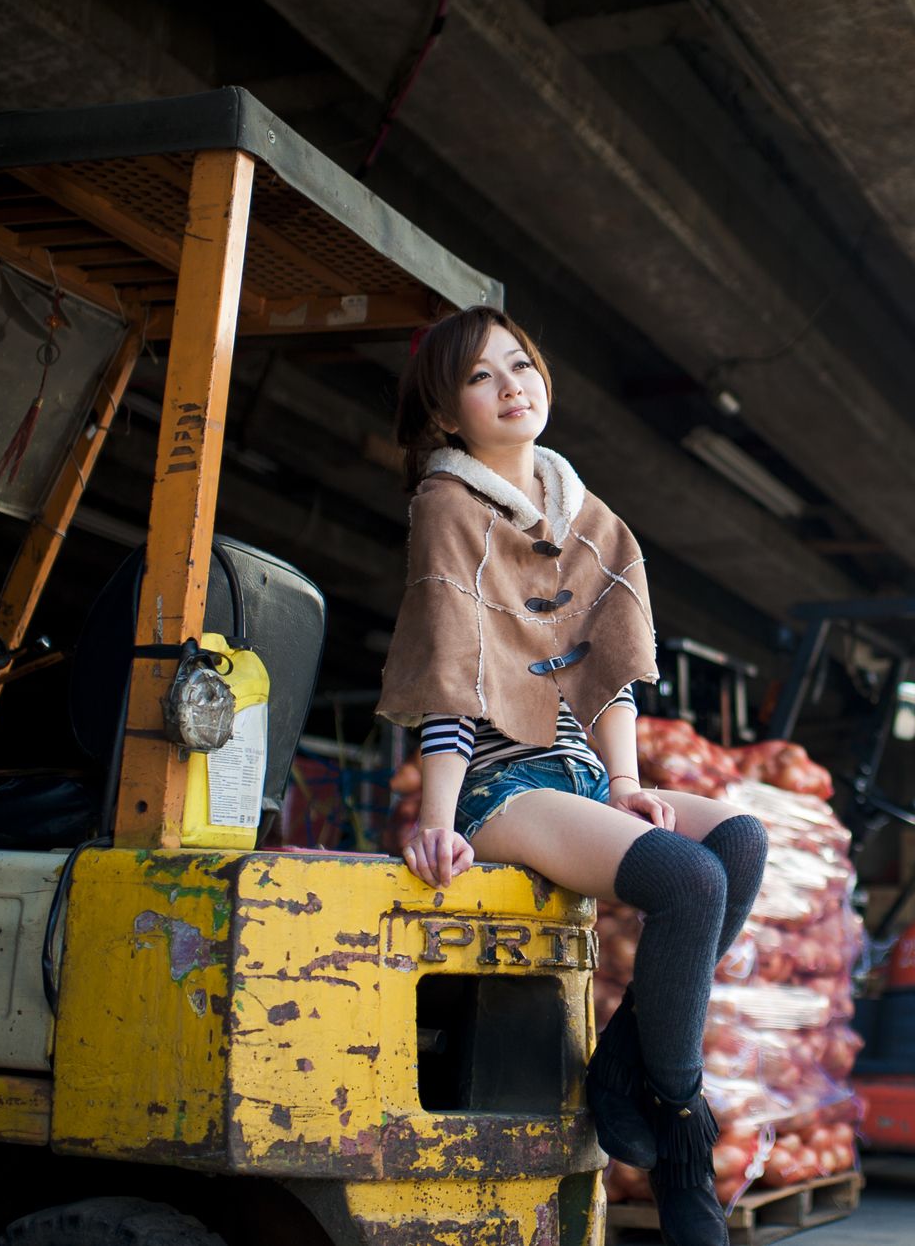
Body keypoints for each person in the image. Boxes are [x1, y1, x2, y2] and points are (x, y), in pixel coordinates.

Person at [376, 306, 768, 1245]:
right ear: (445, 411)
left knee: (738, 840)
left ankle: (625, 1062)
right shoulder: (448, 507)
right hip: (497, 784)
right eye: (481, 376)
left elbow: (612, 667)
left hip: (580, 775)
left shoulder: (587, 515)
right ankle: (682, 1138)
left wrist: (627, 779)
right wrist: (438, 817)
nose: (513, 384)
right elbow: (449, 672)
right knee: (688, 880)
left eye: (521, 363)